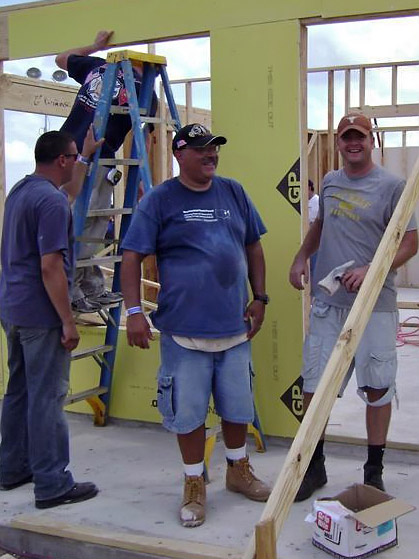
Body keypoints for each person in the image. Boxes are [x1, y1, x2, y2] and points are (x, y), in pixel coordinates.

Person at [121, 123, 271, 527]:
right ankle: (193, 483)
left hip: (234, 328)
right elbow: (132, 256)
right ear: (180, 154)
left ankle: (238, 471)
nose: (211, 155)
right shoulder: (160, 200)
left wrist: (259, 297)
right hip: (185, 332)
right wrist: (134, 312)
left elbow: (253, 245)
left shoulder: (234, 192)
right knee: (188, 414)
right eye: (202, 149)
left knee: (238, 406)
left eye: (215, 149)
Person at [289, 113, 418, 501]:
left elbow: (410, 242)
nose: (352, 143)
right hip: (330, 305)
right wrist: (300, 258)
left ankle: (373, 471)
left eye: (359, 136)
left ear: (370, 140)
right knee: (315, 386)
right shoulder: (329, 182)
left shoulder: (393, 187)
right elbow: (320, 226)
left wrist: (371, 269)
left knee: (377, 388)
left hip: (375, 306)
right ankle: (314, 467)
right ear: (340, 142)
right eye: (346, 137)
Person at [0, 129, 102, 508]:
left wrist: (88, 154)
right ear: (61, 160)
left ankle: (12, 469)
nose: (76, 160)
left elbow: (69, 193)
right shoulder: (51, 204)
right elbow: (50, 268)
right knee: (47, 399)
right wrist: (68, 320)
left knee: (19, 392)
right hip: (41, 314)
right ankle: (52, 483)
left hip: (12, 308)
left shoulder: (23, 192)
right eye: (74, 156)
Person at [55, 30, 158, 313]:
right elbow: (145, 138)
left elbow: (61, 58)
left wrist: (95, 46)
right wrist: (139, 179)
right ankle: (73, 289)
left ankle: (89, 286)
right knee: (88, 227)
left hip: (66, 155)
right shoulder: (146, 90)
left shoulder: (96, 66)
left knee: (84, 225)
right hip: (93, 156)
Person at [308, 179, 319, 277]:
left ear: (310, 188)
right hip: (307, 238)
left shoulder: (317, 201)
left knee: (315, 266)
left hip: (316, 240)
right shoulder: (304, 202)